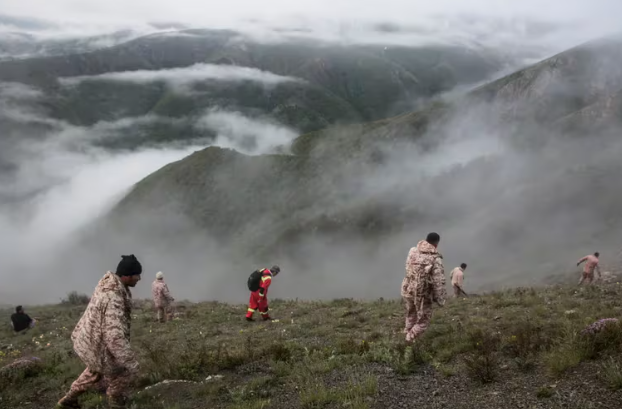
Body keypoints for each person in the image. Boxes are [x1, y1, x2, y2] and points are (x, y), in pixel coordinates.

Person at [56, 254, 143, 409]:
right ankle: (115, 400)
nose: (139, 278)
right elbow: (113, 336)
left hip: (92, 339)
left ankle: (68, 400)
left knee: (94, 371)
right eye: (137, 275)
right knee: (125, 371)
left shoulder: (108, 284)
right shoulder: (113, 298)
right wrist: (130, 362)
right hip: (101, 343)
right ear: (126, 276)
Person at [401, 232, 446, 343]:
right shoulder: (435, 258)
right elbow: (438, 281)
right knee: (423, 320)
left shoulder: (412, 250)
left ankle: (407, 331)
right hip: (422, 293)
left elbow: (407, 267)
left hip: (408, 288)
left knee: (411, 312)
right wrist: (440, 299)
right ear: (436, 244)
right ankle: (409, 339)